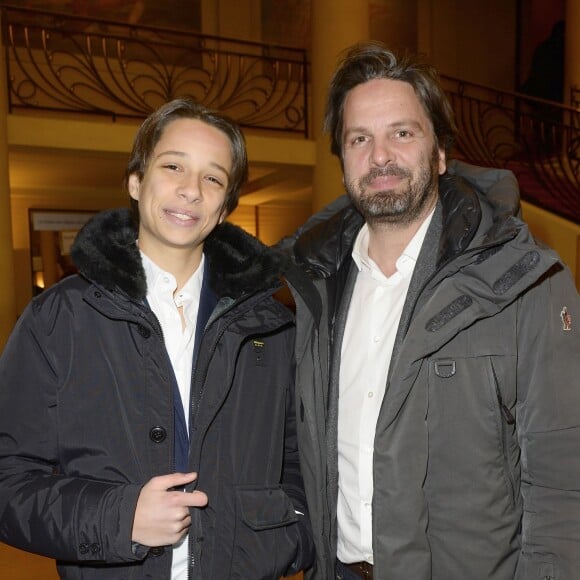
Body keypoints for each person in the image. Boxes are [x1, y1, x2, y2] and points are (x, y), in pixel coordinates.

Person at [282, 41, 580, 580]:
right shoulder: (312, 289)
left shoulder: (528, 282)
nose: (380, 156)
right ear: (343, 159)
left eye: (402, 132)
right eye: (359, 139)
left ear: (439, 153)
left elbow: (564, 478)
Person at [0, 98, 313, 579]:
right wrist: (118, 517)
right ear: (135, 180)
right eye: (173, 166)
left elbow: (296, 463)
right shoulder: (59, 319)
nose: (191, 191)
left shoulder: (271, 327)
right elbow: (9, 479)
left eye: (213, 178)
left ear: (226, 204)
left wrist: (287, 538)